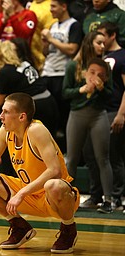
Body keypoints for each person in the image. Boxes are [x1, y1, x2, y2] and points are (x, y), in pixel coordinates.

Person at [0, 92, 79, 253]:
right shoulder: (5, 131)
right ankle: (19, 227)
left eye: (6, 112)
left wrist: (21, 193)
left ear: (21, 117)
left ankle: (68, 229)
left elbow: (54, 170)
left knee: (53, 185)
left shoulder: (36, 130)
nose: (1, 116)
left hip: (56, 197)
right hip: (29, 193)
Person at [62, 32, 114, 214]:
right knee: (72, 158)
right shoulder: (73, 66)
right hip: (77, 115)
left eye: (104, 43)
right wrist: (81, 89)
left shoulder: (106, 67)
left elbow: (111, 94)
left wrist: (101, 88)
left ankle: (108, 200)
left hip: (98, 115)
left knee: (103, 158)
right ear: (89, 44)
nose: (103, 46)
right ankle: (66, 197)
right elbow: (65, 93)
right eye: (99, 42)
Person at [81, 22, 125, 211]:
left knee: (112, 155)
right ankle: (95, 195)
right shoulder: (100, 58)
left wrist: (122, 114)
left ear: (112, 35)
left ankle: (117, 197)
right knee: (89, 153)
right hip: (97, 111)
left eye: (102, 37)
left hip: (114, 110)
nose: (100, 42)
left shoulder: (122, 56)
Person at [0, 39, 58, 136]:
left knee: (33, 145)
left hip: (35, 107)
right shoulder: (24, 63)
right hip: (49, 102)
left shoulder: (5, 71)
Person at [40, 0, 83, 151]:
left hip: (62, 74)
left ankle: (65, 152)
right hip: (47, 73)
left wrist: (52, 39)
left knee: (62, 116)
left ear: (64, 7)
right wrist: (45, 43)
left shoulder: (74, 25)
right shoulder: (53, 26)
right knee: (47, 117)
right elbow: (46, 53)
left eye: (53, 6)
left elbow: (72, 50)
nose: (50, 10)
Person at [28, 0, 56, 71]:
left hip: (43, 60)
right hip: (31, 57)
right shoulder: (33, 3)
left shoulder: (50, 6)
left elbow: (50, 36)